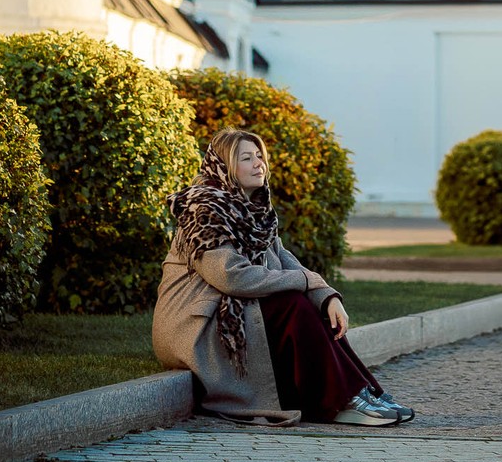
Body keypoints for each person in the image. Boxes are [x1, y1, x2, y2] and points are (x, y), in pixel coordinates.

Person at [152, 126, 415, 428]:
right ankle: (342, 400)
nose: (258, 164)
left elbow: (283, 260)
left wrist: (324, 294)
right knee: (290, 302)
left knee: (301, 301)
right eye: (246, 158)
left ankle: (359, 393)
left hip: (231, 312)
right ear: (224, 166)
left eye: (259, 156)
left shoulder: (255, 210)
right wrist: (303, 285)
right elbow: (231, 277)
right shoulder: (204, 210)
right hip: (198, 325)